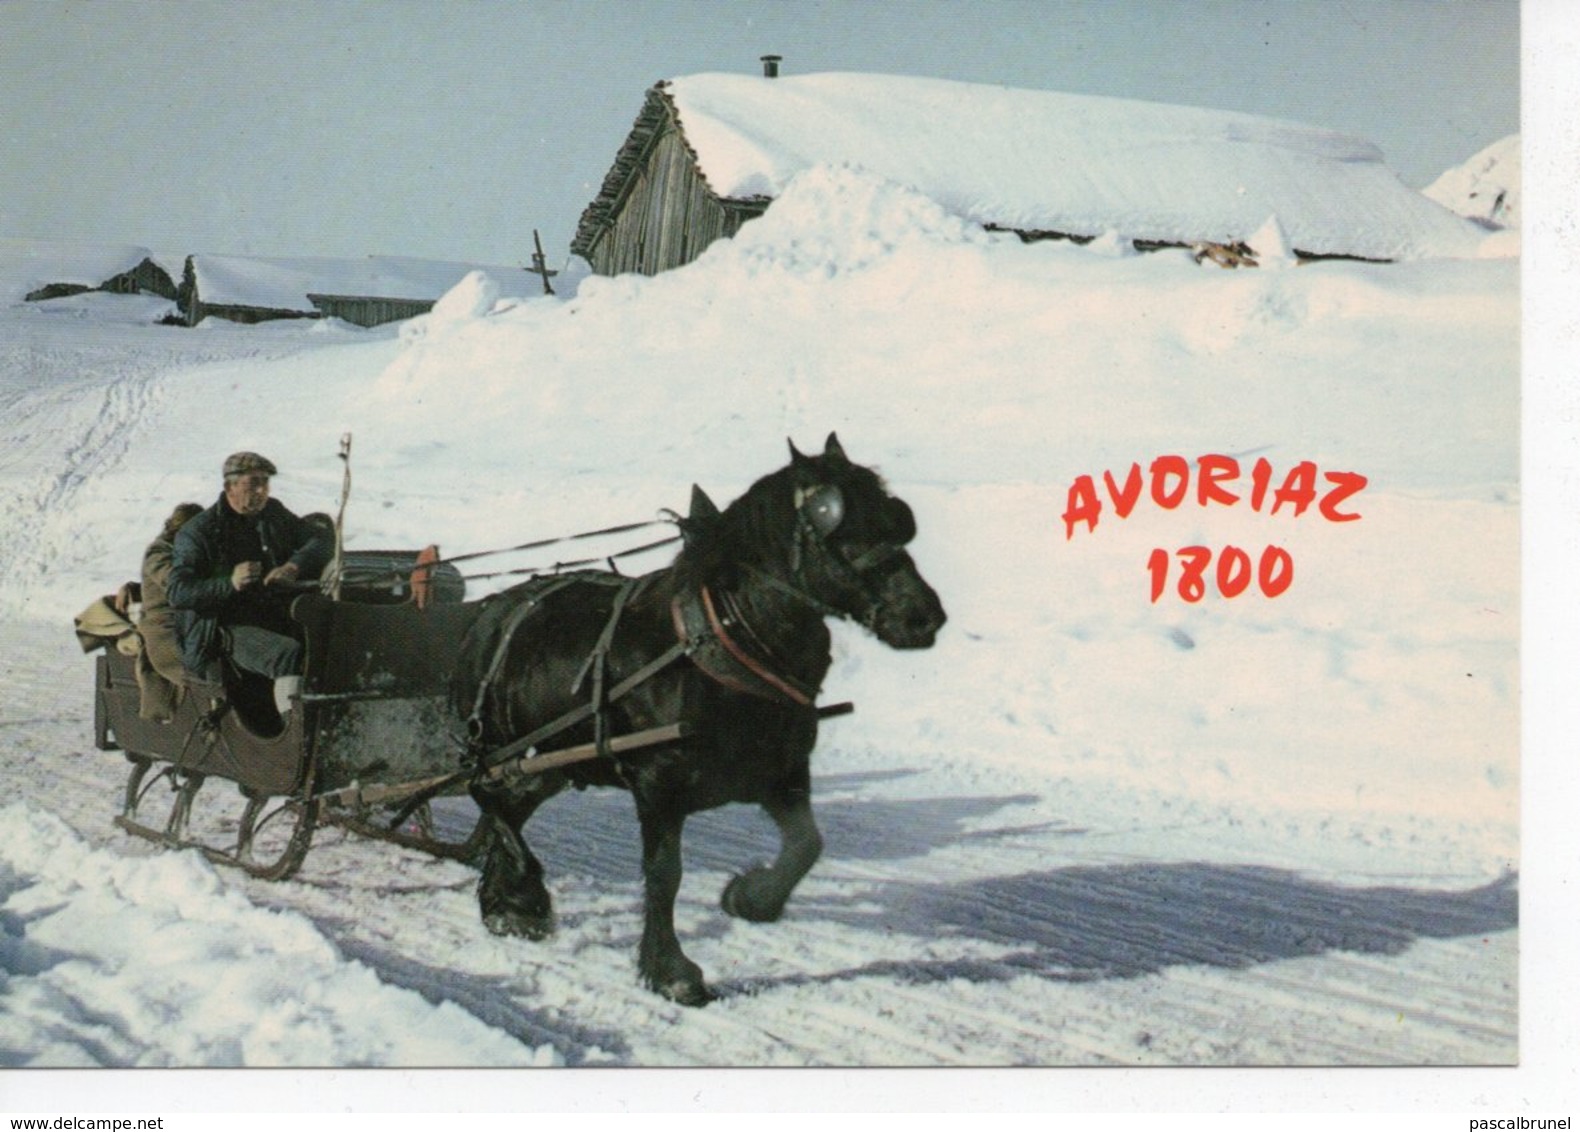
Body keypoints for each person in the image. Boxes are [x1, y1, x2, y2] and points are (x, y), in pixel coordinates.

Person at [166, 451, 332, 686]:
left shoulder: (273, 512)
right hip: (223, 627)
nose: (261, 491)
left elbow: (320, 539)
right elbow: (178, 592)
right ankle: (297, 721)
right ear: (229, 487)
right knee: (288, 654)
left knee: (334, 642)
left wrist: (293, 566)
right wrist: (229, 583)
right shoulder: (199, 532)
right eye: (253, 484)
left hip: (273, 612)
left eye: (265, 483)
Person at [114, 502, 204, 719]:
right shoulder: (160, 552)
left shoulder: (196, 551)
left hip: (197, 626)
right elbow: (177, 583)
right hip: (165, 631)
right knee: (204, 672)